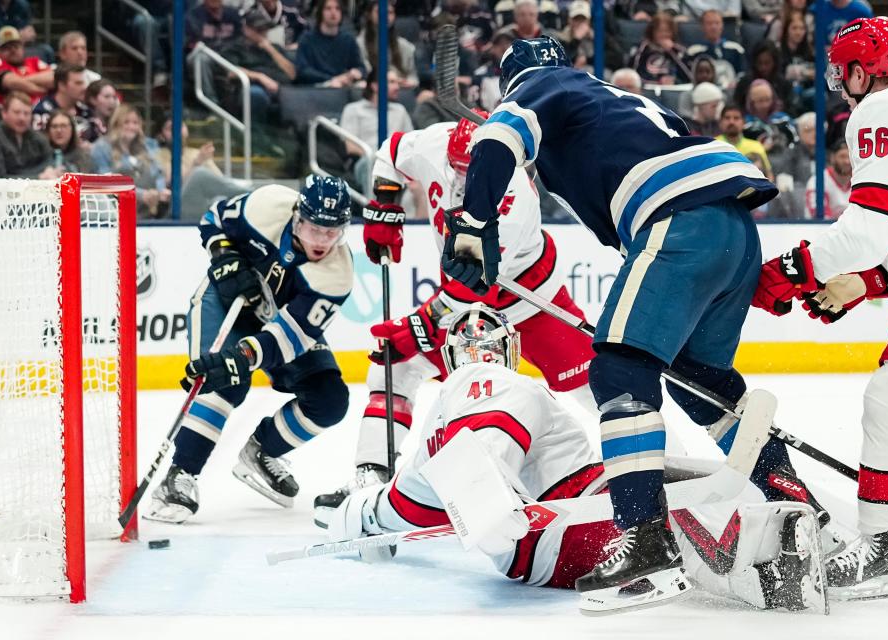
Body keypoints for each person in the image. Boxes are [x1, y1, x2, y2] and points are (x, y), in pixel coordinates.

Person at [443, 36, 821, 614]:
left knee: (620, 370)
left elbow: (499, 136)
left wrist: (473, 221)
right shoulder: (611, 99)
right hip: (734, 227)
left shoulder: (542, 86)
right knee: (699, 376)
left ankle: (644, 532)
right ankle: (791, 497)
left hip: (677, 220)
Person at [324, 304, 827, 612]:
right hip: (567, 519)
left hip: (550, 537)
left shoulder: (432, 433)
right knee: (671, 510)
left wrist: (359, 517)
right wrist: (493, 502)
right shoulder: (499, 381)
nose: (484, 357)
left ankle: (779, 539)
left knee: (691, 482)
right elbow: (485, 455)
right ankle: (766, 569)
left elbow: (398, 511)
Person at [313, 114, 598, 505]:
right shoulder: (434, 143)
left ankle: (659, 470)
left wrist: (416, 326)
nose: (463, 182)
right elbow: (390, 153)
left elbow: (472, 288)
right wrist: (385, 203)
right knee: (394, 366)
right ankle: (371, 479)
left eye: (474, 170)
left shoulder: (514, 197)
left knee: (599, 383)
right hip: (463, 306)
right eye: (458, 168)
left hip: (531, 303)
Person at [751, 16, 888, 600]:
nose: (838, 83)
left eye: (843, 70)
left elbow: (875, 223)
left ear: (861, 70)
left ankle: (885, 550)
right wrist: (864, 282)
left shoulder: (884, 110)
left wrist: (792, 269)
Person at [145, 176, 354, 524]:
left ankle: (262, 451)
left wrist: (241, 357)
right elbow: (214, 217)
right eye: (315, 228)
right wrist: (224, 255)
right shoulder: (268, 205)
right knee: (224, 383)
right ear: (297, 216)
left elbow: (285, 338)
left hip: (279, 324)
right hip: (226, 304)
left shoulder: (336, 276)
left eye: (332, 232)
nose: (322, 241)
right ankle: (179, 476)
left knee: (330, 400)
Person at [154, 115, 248, 221]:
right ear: (161, 135)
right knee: (199, 174)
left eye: (181, 126)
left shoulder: (196, 152)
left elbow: (221, 182)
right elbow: (173, 184)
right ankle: (250, 193)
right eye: (171, 128)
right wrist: (197, 163)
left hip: (203, 205)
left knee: (220, 199)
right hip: (176, 208)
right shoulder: (159, 155)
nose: (178, 130)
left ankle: (248, 195)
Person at [339, 70, 414, 192]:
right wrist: (379, 156)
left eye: (397, 82)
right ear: (374, 86)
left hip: (396, 161)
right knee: (374, 164)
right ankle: (374, 208)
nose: (397, 87)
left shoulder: (400, 110)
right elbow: (350, 146)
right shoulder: (353, 110)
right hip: (366, 160)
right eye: (391, 82)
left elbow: (410, 139)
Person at [90, 104, 169, 219]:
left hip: (149, 209)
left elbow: (158, 174)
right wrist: (141, 195)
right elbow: (105, 181)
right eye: (126, 122)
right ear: (116, 124)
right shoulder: (101, 147)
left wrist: (160, 191)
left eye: (135, 123)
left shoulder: (148, 145)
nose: (131, 127)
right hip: (114, 211)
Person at [0, 90, 57, 179]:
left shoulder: (38, 137)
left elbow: (49, 163)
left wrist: (48, 170)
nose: (22, 118)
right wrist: (38, 177)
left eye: (26, 113)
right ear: (4, 113)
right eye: (16, 112)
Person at [294, 0, 364, 87]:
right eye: (328, 8)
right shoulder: (307, 39)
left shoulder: (348, 40)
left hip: (342, 85)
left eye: (337, 9)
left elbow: (361, 67)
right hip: (316, 86)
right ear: (320, 13)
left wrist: (356, 72)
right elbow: (302, 71)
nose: (333, 12)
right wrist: (332, 78)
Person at [186, 0, 244, 103]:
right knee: (200, 59)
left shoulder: (233, 14)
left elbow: (240, 39)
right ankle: (211, 103)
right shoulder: (194, 15)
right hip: (206, 55)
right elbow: (192, 43)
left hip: (229, 55)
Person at [0, 25, 53, 104]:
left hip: (42, 108)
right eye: (7, 48)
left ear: (22, 47)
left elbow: (55, 78)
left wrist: (20, 80)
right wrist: (42, 90)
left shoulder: (34, 61)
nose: (13, 50)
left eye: (16, 46)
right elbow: (10, 82)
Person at [357, 0, 418, 88]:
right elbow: (364, 72)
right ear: (370, 15)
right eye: (379, 11)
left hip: (400, 89)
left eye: (390, 12)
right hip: (373, 89)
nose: (385, 15)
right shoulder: (359, 44)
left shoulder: (405, 46)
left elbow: (413, 77)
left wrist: (408, 82)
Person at [733, 42, 792, 117]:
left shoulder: (784, 85)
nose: (763, 68)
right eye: (759, 63)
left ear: (775, 63)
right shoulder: (745, 83)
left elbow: (791, 110)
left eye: (767, 63)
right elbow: (737, 108)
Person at [630, 12, 692, 85]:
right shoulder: (643, 47)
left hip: (673, 88)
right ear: (652, 32)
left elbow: (689, 76)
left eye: (667, 31)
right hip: (647, 87)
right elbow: (633, 73)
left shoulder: (679, 50)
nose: (664, 34)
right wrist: (657, 82)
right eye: (660, 31)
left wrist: (672, 51)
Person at [684, 10, 744, 82]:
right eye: (709, 23)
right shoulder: (693, 51)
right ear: (702, 26)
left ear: (722, 25)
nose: (713, 27)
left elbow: (743, 73)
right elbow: (686, 77)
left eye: (717, 23)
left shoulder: (736, 48)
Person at [32, 64, 92, 137]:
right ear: (62, 85)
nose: (84, 88)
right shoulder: (42, 112)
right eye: (78, 83)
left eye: (84, 83)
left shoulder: (86, 111)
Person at [716, 104, 773, 179]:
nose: (731, 122)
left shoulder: (756, 146)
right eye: (727, 118)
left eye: (736, 118)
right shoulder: (713, 145)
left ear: (743, 123)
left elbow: (769, 175)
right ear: (720, 122)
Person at [803, 140, 851, 219]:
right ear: (832, 158)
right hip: (819, 230)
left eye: (849, 157)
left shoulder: (858, 181)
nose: (847, 161)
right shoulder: (817, 181)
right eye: (842, 156)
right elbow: (821, 219)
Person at [553, 1, 595, 72]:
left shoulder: (597, 37)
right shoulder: (561, 38)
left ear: (588, 21)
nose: (579, 23)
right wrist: (576, 40)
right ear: (569, 20)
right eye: (576, 19)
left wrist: (587, 60)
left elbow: (614, 60)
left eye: (583, 19)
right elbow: (562, 62)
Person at [84, 79, 119, 144]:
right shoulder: (84, 125)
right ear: (93, 99)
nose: (112, 102)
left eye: (114, 97)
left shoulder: (119, 124)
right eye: (107, 97)